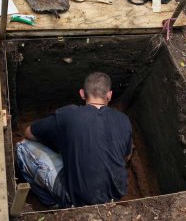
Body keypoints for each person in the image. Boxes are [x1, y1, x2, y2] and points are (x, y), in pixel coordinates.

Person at [16, 72, 133, 207]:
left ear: (82, 93)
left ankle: (54, 203)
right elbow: (127, 155)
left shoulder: (69, 114)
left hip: (78, 199)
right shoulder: (124, 120)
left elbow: (29, 133)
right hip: (114, 197)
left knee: (22, 147)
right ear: (109, 95)